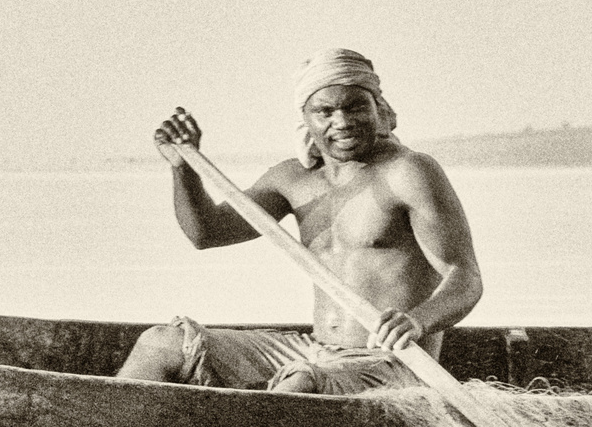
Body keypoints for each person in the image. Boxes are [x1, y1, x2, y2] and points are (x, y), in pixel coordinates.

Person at [116, 49, 484, 394]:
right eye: (325, 112)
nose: (342, 122)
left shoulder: (409, 172)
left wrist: (418, 321)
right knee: (161, 342)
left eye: (356, 107)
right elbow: (206, 233)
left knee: (300, 382)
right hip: (314, 350)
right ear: (306, 120)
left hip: (393, 363)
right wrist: (184, 168)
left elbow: (465, 278)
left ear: (380, 109)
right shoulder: (292, 179)